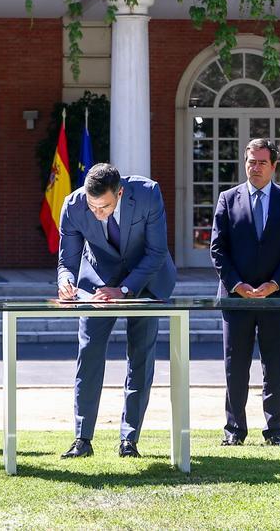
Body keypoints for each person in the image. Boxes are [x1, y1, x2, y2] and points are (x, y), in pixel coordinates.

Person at [56, 163, 177, 459]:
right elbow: (67, 261)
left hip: (146, 280)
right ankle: (82, 439)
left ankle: (129, 439)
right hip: (98, 283)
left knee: (141, 358)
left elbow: (156, 252)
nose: (97, 212)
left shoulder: (148, 194)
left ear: (120, 192)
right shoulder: (73, 206)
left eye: (105, 206)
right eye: (92, 206)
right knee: (89, 355)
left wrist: (124, 290)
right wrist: (66, 281)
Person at [210, 138, 280, 447]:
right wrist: (237, 285)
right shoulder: (227, 199)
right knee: (235, 365)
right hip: (236, 297)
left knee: (274, 365)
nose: (256, 167)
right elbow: (218, 249)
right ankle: (234, 431)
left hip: (276, 297)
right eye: (251, 161)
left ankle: (274, 431)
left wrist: (273, 285)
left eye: (262, 162)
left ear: (274, 166)